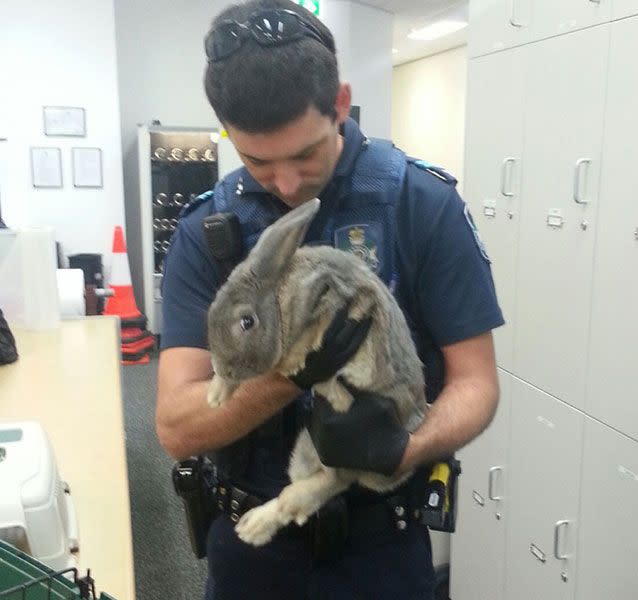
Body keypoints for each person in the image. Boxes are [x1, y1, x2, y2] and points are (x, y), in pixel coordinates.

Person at [156, 0, 504, 598]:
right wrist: (296, 373)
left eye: (305, 154)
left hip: (381, 548)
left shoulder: (422, 206)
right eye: (257, 161)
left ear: (340, 104)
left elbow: (477, 383)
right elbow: (177, 425)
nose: (286, 185)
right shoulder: (207, 229)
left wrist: (404, 450)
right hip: (252, 550)